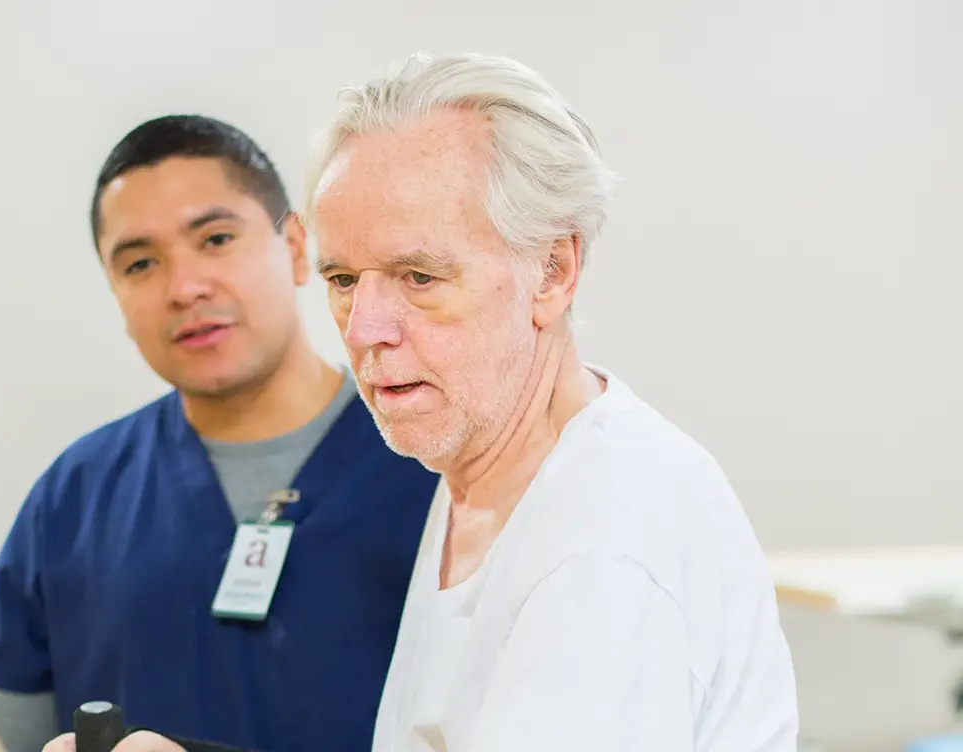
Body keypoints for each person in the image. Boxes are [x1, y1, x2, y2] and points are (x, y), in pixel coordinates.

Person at [55, 52, 801, 752]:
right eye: (345, 281)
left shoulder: (604, 550)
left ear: (553, 269)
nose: (366, 332)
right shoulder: (485, 470)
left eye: (419, 277)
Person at [0, 114, 439, 752]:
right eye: (139, 264)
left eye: (215, 239)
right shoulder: (75, 497)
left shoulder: (435, 471)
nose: (184, 288)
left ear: (299, 249)